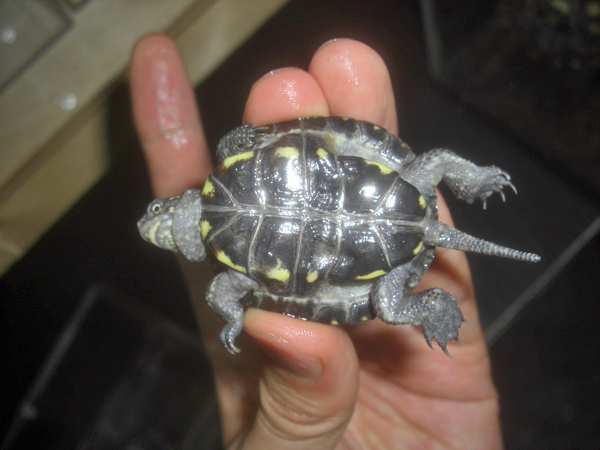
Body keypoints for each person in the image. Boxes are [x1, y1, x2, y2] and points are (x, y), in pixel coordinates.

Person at [130, 34, 503, 449]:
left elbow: (223, 295)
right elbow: (259, 138)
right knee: (433, 172)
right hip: (389, 207)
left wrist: (234, 317)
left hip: (381, 247)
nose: (155, 221)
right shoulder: (228, 162)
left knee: (390, 306)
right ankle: (468, 206)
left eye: (157, 211)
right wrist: (233, 316)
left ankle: (431, 304)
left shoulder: (225, 278)